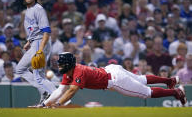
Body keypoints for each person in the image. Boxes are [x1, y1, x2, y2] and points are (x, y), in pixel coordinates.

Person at [40, 52, 187, 108]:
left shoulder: (78, 71)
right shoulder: (70, 70)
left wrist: (58, 104)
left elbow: (71, 91)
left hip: (115, 79)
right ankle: (169, 81)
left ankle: (176, 92)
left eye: (61, 63)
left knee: (146, 92)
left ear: (68, 64)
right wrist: (44, 104)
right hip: (112, 69)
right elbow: (60, 90)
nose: (59, 66)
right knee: (141, 79)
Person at [16, 0, 56, 105]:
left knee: (37, 75)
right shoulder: (28, 10)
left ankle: (59, 98)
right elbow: (34, 29)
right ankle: (45, 94)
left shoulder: (38, 9)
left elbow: (46, 31)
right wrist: (29, 41)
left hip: (40, 42)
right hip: (35, 42)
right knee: (26, 71)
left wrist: (40, 49)